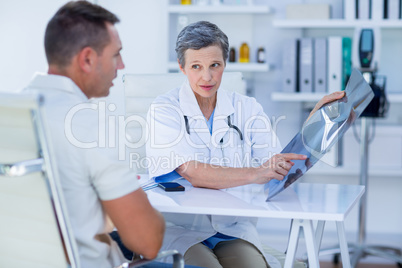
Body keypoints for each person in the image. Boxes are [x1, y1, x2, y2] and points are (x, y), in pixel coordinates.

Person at [146, 21, 345, 268]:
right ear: (182, 67)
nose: (206, 77)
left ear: (225, 64)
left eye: (214, 65)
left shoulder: (247, 108)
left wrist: (314, 124)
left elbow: (277, 167)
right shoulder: (165, 109)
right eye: (196, 66)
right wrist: (254, 173)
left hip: (231, 228)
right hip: (179, 228)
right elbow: (192, 172)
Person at [23, 2, 165, 267]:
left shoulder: (12, 113)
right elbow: (148, 242)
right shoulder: (91, 127)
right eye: (116, 55)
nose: (121, 65)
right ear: (87, 59)